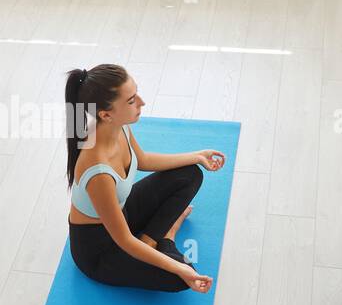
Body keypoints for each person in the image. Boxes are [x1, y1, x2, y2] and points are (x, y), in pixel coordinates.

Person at [64, 63, 225, 293]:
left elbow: (144, 160)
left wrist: (196, 156)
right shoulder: (97, 171)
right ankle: (167, 236)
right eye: (131, 101)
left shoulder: (116, 127)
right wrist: (181, 269)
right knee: (181, 278)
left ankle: (150, 240)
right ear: (105, 114)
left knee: (190, 174)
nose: (141, 102)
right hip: (100, 250)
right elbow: (124, 240)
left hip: (122, 214)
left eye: (136, 94)